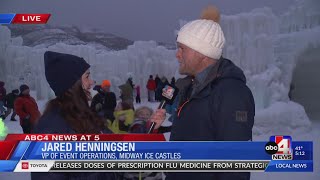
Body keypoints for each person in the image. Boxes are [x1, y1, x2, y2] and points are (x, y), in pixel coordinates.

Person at [152, 6, 255, 180]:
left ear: (202, 53)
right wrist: (158, 128)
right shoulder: (189, 87)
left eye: (182, 48)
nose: (177, 55)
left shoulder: (231, 93)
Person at [31, 51, 119, 180]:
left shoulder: (84, 115)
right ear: (72, 83)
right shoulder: (51, 128)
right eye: (87, 76)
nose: (92, 82)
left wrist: (149, 127)